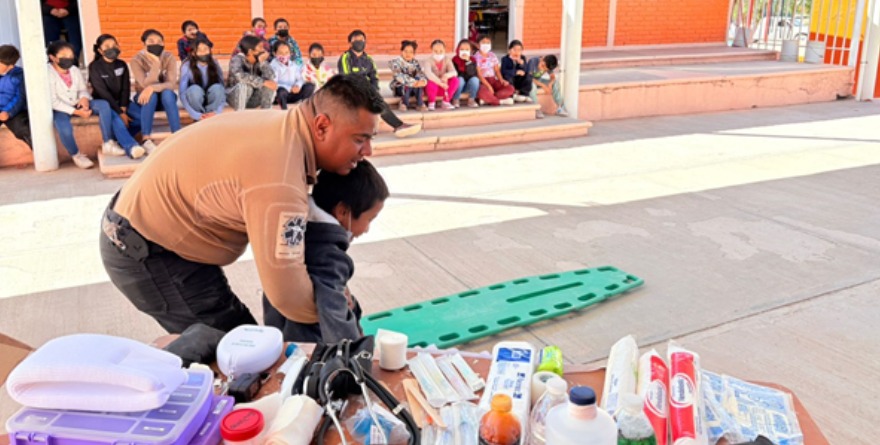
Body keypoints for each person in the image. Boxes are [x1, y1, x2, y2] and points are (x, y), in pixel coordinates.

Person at [100, 74, 384, 334]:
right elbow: (287, 295)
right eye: (360, 139)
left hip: (155, 234)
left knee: (247, 345)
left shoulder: (283, 128)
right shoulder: (280, 176)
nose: (367, 151)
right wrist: (336, 307)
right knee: (244, 359)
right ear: (322, 126)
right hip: (147, 250)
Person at [263, 160, 388, 343]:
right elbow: (335, 317)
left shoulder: (297, 231)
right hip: (310, 350)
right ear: (342, 211)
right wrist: (355, 355)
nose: (367, 229)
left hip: (280, 338)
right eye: (370, 219)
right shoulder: (329, 255)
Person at [338, 29, 420, 138]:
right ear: (350, 43)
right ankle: (397, 125)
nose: (359, 42)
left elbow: (374, 77)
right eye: (356, 40)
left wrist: (374, 89)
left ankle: (396, 126)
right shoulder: (345, 58)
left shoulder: (368, 60)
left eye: (362, 40)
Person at [88, 34, 146, 158]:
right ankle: (131, 147)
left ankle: (121, 139)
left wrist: (124, 106)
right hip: (105, 103)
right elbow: (103, 92)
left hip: (122, 102)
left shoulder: (122, 64)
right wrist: (120, 112)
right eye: (107, 46)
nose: (112, 48)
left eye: (114, 45)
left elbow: (126, 88)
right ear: (100, 50)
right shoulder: (95, 67)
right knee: (117, 120)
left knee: (143, 117)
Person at [128, 29, 181, 154]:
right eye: (151, 41)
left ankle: (177, 134)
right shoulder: (136, 60)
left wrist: (152, 88)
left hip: (164, 100)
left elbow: (171, 83)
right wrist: (156, 63)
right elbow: (144, 84)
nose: (155, 44)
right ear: (144, 44)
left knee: (168, 94)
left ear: (163, 44)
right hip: (145, 99)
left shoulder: (169, 57)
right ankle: (146, 139)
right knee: (151, 96)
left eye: (159, 41)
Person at [46, 41, 94, 169]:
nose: (68, 59)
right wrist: (77, 113)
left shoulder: (74, 70)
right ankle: (76, 154)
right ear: (52, 57)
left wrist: (84, 98)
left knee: (104, 106)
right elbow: (53, 101)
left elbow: (82, 89)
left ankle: (109, 143)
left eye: (70, 56)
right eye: (63, 55)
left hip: (77, 103)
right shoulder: (47, 73)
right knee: (64, 127)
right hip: (60, 108)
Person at [179, 38, 225, 121]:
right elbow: (182, 93)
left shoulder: (214, 63)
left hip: (211, 104)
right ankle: (200, 119)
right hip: (196, 102)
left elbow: (222, 90)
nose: (203, 52)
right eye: (199, 50)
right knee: (194, 90)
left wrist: (217, 112)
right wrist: (195, 114)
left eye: (206, 49)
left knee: (218, 88)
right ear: (193, 53)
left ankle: (211, 117)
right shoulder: (187, 66)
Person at [226, 35, 277, 110]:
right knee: (245, 86)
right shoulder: (237, 59)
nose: (263, 50)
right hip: (235, 98)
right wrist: (262, 82)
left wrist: (263, 63)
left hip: (253, 99)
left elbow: (271, 78)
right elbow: (240, 76)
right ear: (250, 51)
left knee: (269, 84)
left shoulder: (260, 60)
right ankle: (240, 116)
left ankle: (266, 113)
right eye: (260, 47)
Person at [0, 45, 32, 149]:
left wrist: (8, 112)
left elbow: (20, 98)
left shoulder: (19, 76)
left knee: (21, 129)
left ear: (10, 66)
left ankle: (42, 154)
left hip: (13, 111)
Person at [472, 35, 514, 106]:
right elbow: (479, 74)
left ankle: (489, 99)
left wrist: (501, 80)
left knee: (510, 88)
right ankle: (500, 101)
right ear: (478, 45)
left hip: (493, 80)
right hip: (483, 81)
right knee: (481, 92)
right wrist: (488, 86)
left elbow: (497, 70)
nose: (486, 45)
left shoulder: (492, 55)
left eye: (488, 43)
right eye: (483, 42)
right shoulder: (476, 57)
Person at [270, 40, 313, 110]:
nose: (284, 55)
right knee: (281, 91)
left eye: (286, 52)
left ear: (290, 53)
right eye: (280, 53)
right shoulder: (273, 66)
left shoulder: (293, 65)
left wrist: (298, 86)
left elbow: (300, 78)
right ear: (275, 53)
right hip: (281, 95)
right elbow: (274, 83)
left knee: (310, 86)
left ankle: (306, 108)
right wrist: (289, 88)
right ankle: (284, 110)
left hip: (293, 93)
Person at [389, 40, 427, 112]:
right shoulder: (395, 62)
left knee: (418, 78)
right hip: (400, 87)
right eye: (405, 51)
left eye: (411, 52)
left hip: (414, 87)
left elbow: (420, 74)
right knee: (406, 79)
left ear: (414, 54)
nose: (408, 54)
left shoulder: (415, 62)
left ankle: (420, 104)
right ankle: (404, 103)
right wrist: (413, 82)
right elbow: (399, 76)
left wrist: (422, 81)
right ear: (401, 52)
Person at [527, 54, 569, 119]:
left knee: (556, 83)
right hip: (528, 82)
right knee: (532, 86)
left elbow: (553, 77)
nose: (543, 68)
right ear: (542, 59)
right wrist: (544, 86)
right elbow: (529, 79)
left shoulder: (548, 65)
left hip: (538, 81)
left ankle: (560, 107)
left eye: (545, 69)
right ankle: (536, 109)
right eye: (542, 65)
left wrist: (550, 84)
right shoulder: (532, 61)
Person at [423, 39, 460, 110]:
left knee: (455, 80)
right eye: (435, 51)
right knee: (430, 81)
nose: (438, 53)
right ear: (432, 50)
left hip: (444, 88)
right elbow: (429, 74)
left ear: (444, 50)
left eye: (441, 51)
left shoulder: (447, 59)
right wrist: (440, 83)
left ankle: (446, 102)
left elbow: (454, 72)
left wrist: (446, 75)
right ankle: (431, 102)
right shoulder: (428, 61)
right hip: (432, 89)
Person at [452, 39, 480, 108]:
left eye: (467, 49)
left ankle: (471, 100)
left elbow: (472, 74)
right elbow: (455, 74)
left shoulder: (472, 60)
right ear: (458, 50)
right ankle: (455, 99)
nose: (464, 51)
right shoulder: (455, 59)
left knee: (475, 79)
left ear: (470, 51)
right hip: (458, 86)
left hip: (468, 86)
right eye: (462, 49)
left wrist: (468, 62)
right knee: (460, 79)